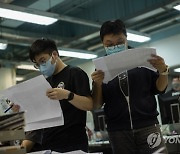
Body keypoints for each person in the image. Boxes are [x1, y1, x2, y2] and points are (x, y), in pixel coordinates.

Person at [91, 19, 169, 154]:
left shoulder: (144, 58)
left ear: (127, 39)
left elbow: (160, 88)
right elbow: (97, 103)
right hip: (118, 131)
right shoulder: (101, 67)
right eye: (109, 44)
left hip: (148, 125)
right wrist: (97, 83)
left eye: (120, 42)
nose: (115, 46)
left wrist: (163, 71)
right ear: (103, 44)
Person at [21, 38, 93, 153]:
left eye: (43, 61)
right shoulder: (46, 82)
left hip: (72, 144)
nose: (41, 67)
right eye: (37, 65)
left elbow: (89, 104)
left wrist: (68, 95)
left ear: (54, 55)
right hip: (49, 144)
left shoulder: (74, 73)